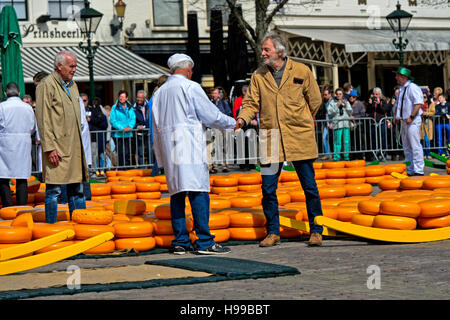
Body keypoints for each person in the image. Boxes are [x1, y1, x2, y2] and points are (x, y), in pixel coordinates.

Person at [235, 31, 324, 247]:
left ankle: (316, 230)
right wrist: (242, 120)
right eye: (263, 50)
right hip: (271, 140)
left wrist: (301, 119)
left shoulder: (301, 70)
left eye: (267, 49)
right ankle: (273, 232)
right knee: (267, 188)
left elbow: (315, 100)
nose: (263, 53)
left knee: (309, 186)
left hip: (299, 138)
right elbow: (250, 103)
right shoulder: (258, 75)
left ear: (279, 51)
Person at [152, 53, 235, 255]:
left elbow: (154, 127)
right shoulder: (191, 87)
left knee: (177, 193)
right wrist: (234, 123)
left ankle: (180, 240)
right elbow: (211, 115)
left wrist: (160, 157)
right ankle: (205, 241)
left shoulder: (160, 93)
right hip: (188, 145)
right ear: (188, 69)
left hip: (170, 148)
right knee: (198, 191)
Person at [35, 50, 89, 223]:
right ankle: (51, 226)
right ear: (60, 66)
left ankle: (80, 225)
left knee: (77, 190)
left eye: (75, 66)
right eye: (71, 66)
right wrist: (49, 147)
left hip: (74, 147)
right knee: (54, 191)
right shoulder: (46, 85)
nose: (74, 70)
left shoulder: (72, 85)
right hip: (57, 148)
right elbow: (43, 119)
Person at [0, 82, 36, 207]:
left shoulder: (2, 107)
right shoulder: (28, 108)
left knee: (3, 177)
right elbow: (32, 127)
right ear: (19, 93)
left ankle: (8, 206)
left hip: (5, 144)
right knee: (22, 178)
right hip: (23, 143)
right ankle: (22, 207)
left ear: (5, 93)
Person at [393, 66, 424, 176]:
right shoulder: (401, 89)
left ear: (403, 77)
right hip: (404, 121)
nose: (396, 77)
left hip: (412, 121)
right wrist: (395, 117)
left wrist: (411, 116)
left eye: (397, 75)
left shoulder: (412, 87)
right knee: (406, 146)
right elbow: (398, 105)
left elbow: (418, 103)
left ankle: (419, 169)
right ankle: (410, 169)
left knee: (415, 145)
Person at [147, 75, 168, 177]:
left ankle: (161, 177)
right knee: (163, 156)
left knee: (163, 157)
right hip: (159, 132)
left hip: (157, 131)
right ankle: (154, 176)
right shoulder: (158, 97)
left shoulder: (154, 98)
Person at [110, 90, 136, 167]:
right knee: (120, 152)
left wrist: (130, 127)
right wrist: (122, 128)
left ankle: (126, 168)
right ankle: (121, 168)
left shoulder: (130, 107)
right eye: (120, 97)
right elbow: (113, 120)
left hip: (128, 133)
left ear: (126, 98)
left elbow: (133, 118)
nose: (121, 98)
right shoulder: (114, 107)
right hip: (119, 134)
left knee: (127, 152)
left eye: (123, 97)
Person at [327, 88, 354, 161]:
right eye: (337, 94)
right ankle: (336, 157)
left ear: (342, 94)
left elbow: (350, 112)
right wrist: (336, 106)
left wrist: (347, 106)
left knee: (346, 141)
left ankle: (346, 156)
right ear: (336, 94)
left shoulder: (346, 101)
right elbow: (329, 112)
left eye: (340, 94)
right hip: (337, 124)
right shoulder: (332, 102)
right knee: (337, 142)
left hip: (345, 124)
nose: (339, 95)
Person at [133, 90, 150, 167]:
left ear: (144, 98)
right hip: (139, 132)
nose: (138, 99)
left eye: (140, 97)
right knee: (140, 151)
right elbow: (132, 120)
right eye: (137, 97)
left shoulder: (149, 105)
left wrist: (147, 126)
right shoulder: (134, 107)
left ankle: (151, 167)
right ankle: (141, 168)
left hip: (148, 131)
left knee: (150, 150)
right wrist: (137, 126)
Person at [348, 89, 366, 160]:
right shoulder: (348, 104)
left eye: (353, 97)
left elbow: (363, 114)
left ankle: (360, 156)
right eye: (350, 96)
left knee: (358, 141)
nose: (351, 98)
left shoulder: (360, 104)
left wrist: (354, 117)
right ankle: (352, 156)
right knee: (351, 141)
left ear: (356, 97)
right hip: (350, 126)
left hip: (358, 125)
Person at [420, 91, 435, 160]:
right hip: (421, 124)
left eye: (425, 97)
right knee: (421, 140)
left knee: (427, 140)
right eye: (422, 97)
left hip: (428, 123)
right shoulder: (419, 104)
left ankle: (428, 153)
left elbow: (433, 112)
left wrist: (426, 113)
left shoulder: (431, 104)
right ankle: (422, 154)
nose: (424, 98)